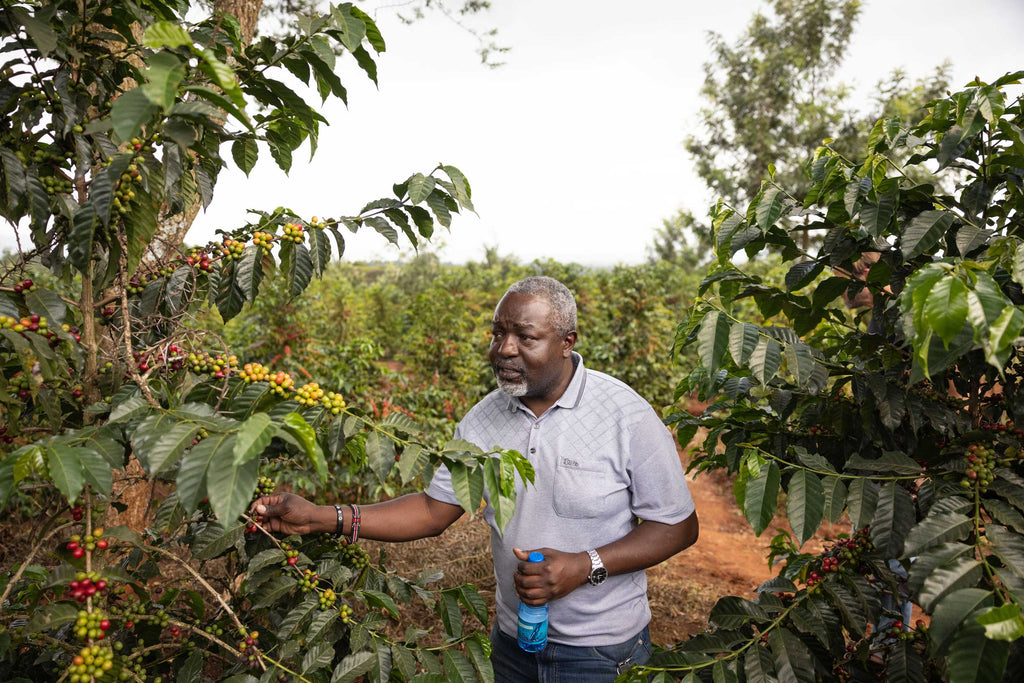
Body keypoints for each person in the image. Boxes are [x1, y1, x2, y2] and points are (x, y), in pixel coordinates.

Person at [252, 276, 699, 682]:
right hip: (513, 644)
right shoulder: (484, 418)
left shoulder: (625, 415)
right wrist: (319, 517)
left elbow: (678, 526)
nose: (504, 349)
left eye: (526, 337)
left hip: (602, 653)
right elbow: (432, 510)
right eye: (498, 333)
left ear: (567, 342)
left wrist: (585, 566)